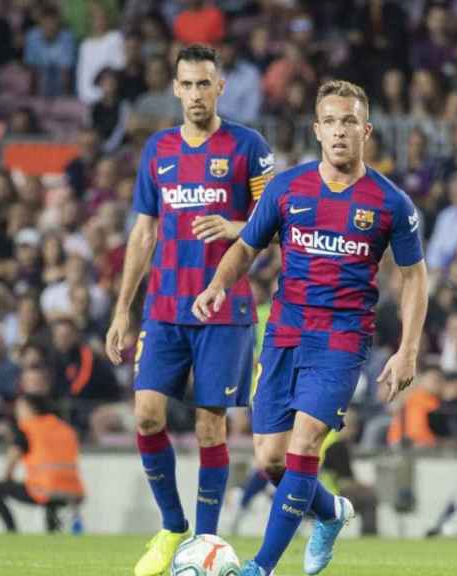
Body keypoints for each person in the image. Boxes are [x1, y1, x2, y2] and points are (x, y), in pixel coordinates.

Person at [193, 80, 429, 576]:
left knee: (305, 445)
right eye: (331, 122)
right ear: (317, 130)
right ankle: (330, 513)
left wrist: (408, 350)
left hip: (341, 339)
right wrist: (217, 284)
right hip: (283, 332)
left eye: (349, 122)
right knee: (271, 460)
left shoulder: (390, 203)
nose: (340, 131)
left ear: (365, 130)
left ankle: (261, 567)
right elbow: (246, 246)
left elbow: (414, 277)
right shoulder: (286, 188)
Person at [103, 44, 274, 576]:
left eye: (206, 84)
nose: (197, 94)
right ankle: (173, 526)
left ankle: (204, 541)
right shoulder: (157, 149)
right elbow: (144, 230)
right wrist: (122, 310)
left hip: (224, 309)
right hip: (165, 308)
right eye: (188, 85)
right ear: (175, 88)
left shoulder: (249, 146)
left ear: (220, 86)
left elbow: (276, 223)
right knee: (147, 413)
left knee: (209, 428)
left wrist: (235, 229)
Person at [0, 394, 84, 533]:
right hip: (73, 490)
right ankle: (53, 532)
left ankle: (11, 531)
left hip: (43, 489)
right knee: (52, 503)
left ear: (31, 409)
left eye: (19, 408)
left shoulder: (27, 428)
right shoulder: (65, 427)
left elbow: (13, 455)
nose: (16, 412)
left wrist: (7, 477)